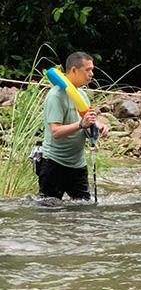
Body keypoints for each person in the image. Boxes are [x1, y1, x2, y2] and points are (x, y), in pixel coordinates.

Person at [39, 52, 108, 200]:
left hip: (78, 165)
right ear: (74, 70)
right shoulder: (55, 96)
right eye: (88, 70)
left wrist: (99, 126)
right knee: (48, 213)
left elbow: (87, 120)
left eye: (92, 69)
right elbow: (55, 132)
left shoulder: (82, 95)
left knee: (83, 210)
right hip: (54, 163)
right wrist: (80, 124)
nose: (92, 74)